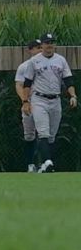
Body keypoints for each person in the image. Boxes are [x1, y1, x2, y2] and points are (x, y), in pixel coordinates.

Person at [23, 33, 77, 173]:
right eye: (47, 43)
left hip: (55, 99)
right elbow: (27, 83)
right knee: (43, 132)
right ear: (42, 46)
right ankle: (48, 162)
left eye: (52, 42)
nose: (50, 45)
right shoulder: (34, 61)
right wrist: (25, 101)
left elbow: (68, 80)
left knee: (52, 135)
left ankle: (45, 164)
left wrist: (73, 95)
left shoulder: (60, 60)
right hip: (39, 99)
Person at [15, 39, 42, 172]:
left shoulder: (48, 63)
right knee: (29, 134)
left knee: (44, 133)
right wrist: (25, 101)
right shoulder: (24, 66)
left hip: (43, 101)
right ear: (30, 50)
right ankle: (30, 164)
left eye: (40, 47)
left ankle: (44, 163)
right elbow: (19, 85)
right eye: (36, 48)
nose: (40, 50)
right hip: (29, 102)